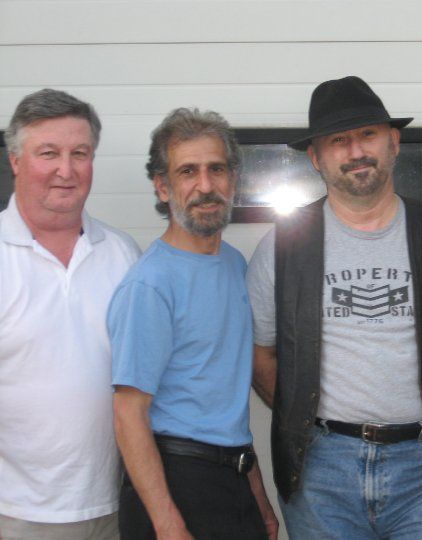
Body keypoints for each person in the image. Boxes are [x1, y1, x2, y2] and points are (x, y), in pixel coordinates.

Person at [247, 75, 422, 539]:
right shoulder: (283, 245)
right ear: (316, 157)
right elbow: (261, 356)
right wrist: (306, 423)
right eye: (338, 141)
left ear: (394, 142)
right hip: (321, 473)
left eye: (367, 134)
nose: (355, 151)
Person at [108, 108, 277, 540]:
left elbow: (226, 407)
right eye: (188, 172)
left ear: (233, 180)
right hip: (173, 484)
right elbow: (128, 413)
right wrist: (167, 524)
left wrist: (259, 500)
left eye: (216, 169)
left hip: (233, 480)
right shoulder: (150, 283)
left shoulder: (235, 266)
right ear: (163, 186)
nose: (205, 186)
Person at [0, 89, 141, 539]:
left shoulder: (122, 253)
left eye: (79, 153)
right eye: (48, 153)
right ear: (15, 160)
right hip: (14, 513)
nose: (66, 169)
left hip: (113, 505)